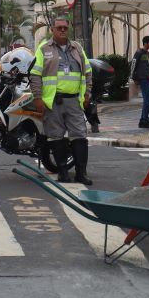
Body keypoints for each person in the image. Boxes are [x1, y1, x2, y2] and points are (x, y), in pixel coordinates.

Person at [30, 16, 93, 185]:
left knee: (79, 136)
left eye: (65, 27)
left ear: (69, 28)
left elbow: (87, 72)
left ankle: (81, 173)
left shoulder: (77, 48)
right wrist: (37, 98)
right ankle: (63, 173)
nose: (62, 30)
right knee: (55, 138)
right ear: (53, 29)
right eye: (59, 27)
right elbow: (35, 75)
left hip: (74, 101)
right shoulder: (44, 49)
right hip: (53, 102)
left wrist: (87, 93)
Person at [131, 35, 149, 129]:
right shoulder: (139, 53)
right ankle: (144, 120)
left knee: (148, 101)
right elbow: (133, 65)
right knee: (147, 101)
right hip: (144, 80)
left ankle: (143, 120)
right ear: (146, 43)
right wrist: (133, 78)